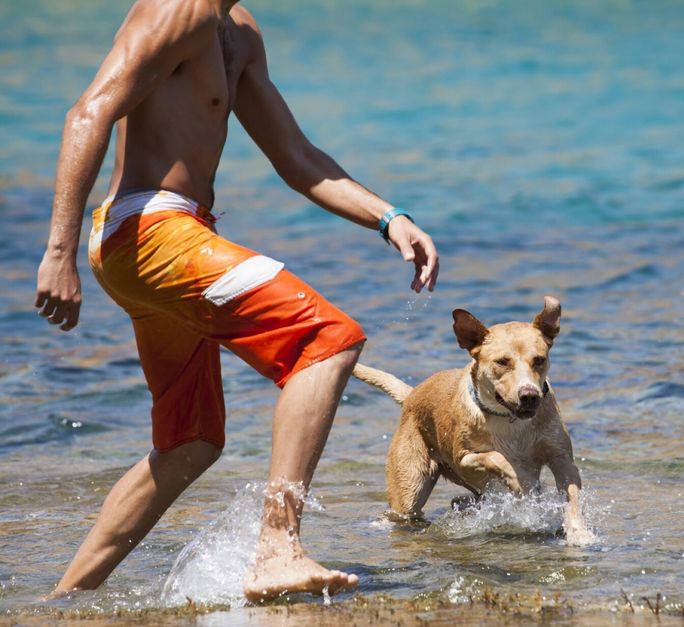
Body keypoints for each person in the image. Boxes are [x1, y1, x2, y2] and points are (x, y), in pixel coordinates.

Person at [33, 0, 439, 602]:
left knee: (190, 442)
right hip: (148, 230)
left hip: (176, 235)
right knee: (327, 341)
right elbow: (87, 112)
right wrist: (57, 251)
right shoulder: (176, 10)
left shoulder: (239, 31)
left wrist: (389, 218)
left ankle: (65, 601)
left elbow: (296, 157)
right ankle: (277, 549)